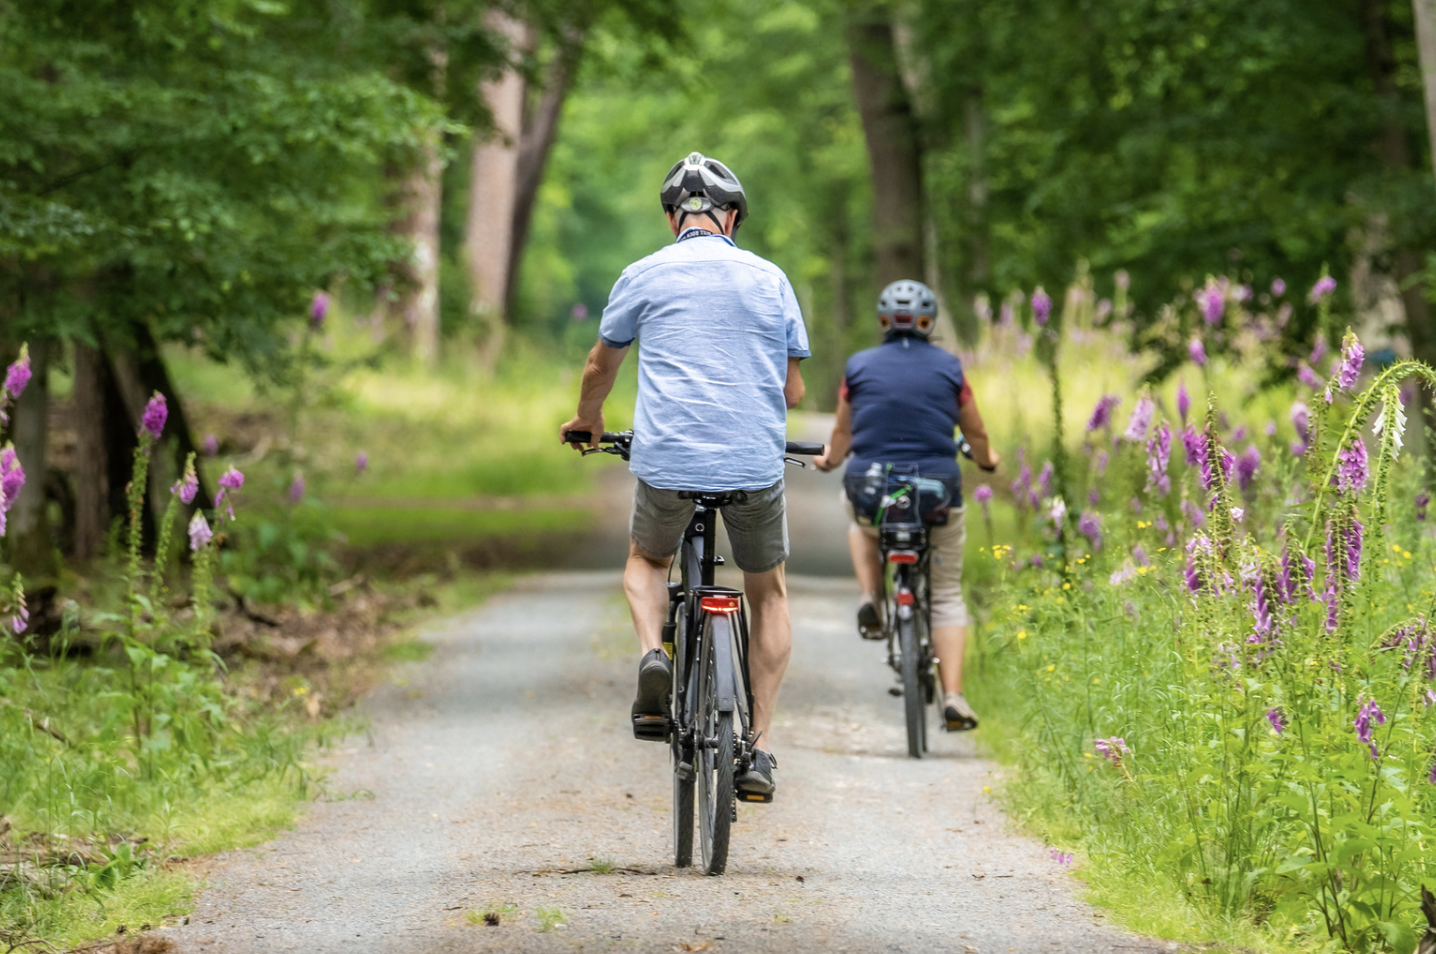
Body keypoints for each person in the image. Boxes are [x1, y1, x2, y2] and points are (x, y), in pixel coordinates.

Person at [560, 152, 810, 799]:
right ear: (732, 218)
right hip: (754, 462)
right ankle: (757, 749)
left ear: (674, 218)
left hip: (668, 459)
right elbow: (794, 386)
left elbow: (599, 365)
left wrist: (589, 420)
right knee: (770, 591)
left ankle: (653, 654)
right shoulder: (770, 278)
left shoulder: (643, 274)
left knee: (647, 560)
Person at [813, 280, 998, 731]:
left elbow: (842, 433)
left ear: (882, 322)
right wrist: (989, 460)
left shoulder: (858, 366)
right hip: (936, 492)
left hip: (872, 489)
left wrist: (831, 460)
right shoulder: (951, 368)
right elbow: (974, 432)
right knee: (948, 594)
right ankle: (953, 696)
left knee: (858, 518)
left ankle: (871, 596)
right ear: (928, 321)